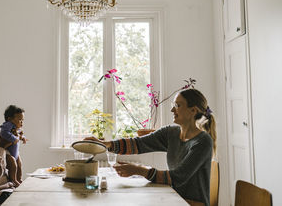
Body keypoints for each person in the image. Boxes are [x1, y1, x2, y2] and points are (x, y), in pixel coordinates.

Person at [85, 88, 217, 206]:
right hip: (173, 197)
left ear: (193, 111)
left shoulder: (203, 141)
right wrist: (106, 144)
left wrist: (139, 170)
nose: (172, 110)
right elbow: (138, 144)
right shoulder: (170, 133)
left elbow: (177, 178)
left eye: (177, 105)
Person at [0, 105, 27, 186]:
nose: (22, 122)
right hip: (7, 152)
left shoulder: (16, 127)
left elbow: (19, 135)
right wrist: (13, 138)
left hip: (15, 152)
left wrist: (23, 138)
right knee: (13, 164)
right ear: (9, 119)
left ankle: (19, 178)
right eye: (19, 120)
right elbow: (4, 133)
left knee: (19, 164)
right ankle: (13, 179)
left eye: (22, 120)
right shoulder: (7, 125)